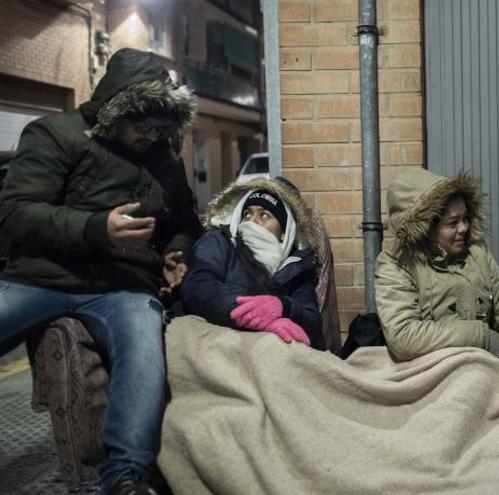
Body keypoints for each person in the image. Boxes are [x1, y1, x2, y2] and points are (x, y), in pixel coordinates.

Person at [0, 48, 200, 494]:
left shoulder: (165, 158)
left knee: (145, 353)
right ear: (117, 110)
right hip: (41, 274)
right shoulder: (56, 134)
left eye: (159, 126)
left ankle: (125, 474)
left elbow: (184, 223)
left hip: (122, 285)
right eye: (141, 124)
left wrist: (175, 253)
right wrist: (98, 228)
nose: (150, 136)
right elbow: (14, 212)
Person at [374, 167, 499, 361]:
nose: (463, 228)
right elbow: (404, 335)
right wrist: (481, 337)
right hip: (427, 373)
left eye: (465, 218)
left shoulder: (478, 254)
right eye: (452, 222)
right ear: (426, 227)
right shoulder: (396, 265)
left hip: (483, 369)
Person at [179, 177, 324, 349]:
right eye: (247, 213)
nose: (252, 221)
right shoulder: (218, 243)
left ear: (284, 232)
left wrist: (283, 307)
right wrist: (250, 318)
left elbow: (312, 324)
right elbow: (198, 286)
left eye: (264, 215)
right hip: (208, 338)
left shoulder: (296, 268)